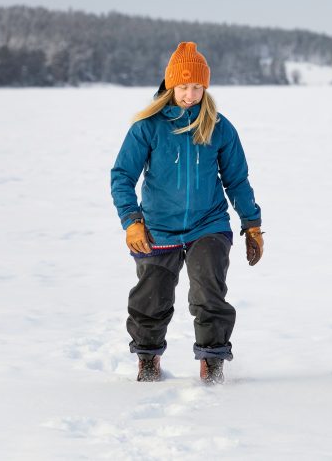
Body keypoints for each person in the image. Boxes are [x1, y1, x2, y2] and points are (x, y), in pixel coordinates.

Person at [110, 42, 264, 385]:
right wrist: (132, 221)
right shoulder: (147, 126)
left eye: (197, 87)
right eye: (183, 87)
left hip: (207, 224)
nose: (190, 94)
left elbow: (237, 179)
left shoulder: (219, 127)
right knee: (151, 296)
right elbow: (122, 176)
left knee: (208, 291)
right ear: (169, 86)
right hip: (157, 227)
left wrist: (252, 223)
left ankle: (213, 361)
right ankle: (147, 358)